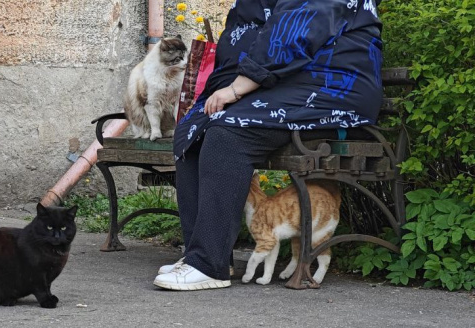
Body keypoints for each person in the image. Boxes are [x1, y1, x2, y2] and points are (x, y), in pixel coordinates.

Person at [153, 0, 384, 290]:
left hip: (329, 85)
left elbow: (299, 27)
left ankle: (208, 265)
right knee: (192, 130)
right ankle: (204, 254)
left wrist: (237, 88)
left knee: (228, 134)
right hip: (283, 82)